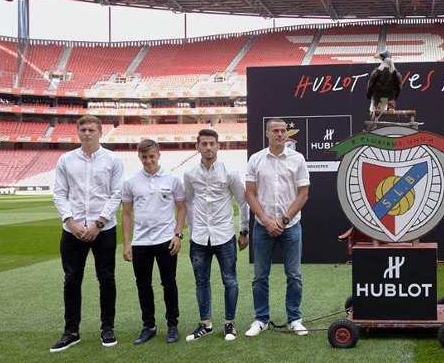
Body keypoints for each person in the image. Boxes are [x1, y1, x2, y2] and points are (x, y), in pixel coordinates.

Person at [49, 115, 124, 352]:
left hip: (104, 229)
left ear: (100, 132)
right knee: (72, 279)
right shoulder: (66, 159)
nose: (87, 133)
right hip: (73, 230)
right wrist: (70, 221)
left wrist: (99, 223)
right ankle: (71, 331)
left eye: (92, 130)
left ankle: (107, 328)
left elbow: (117, 194)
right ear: (78, 132)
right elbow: (59, 193)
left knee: (106, 278)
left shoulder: (113, 159)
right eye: (83, 130)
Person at [244, 118, 311, 337]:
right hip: (262, 227)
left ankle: (294, 319)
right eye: (275, 130)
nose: (280, 134)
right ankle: (261, 319)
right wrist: (266, 221)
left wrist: (283, 221)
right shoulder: (256, 159)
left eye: (283, 130)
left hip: (291, 226)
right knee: (260, 277)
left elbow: (303, 194)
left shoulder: (297, 159)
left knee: (294, 275)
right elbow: (250, 194)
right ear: (267, 134)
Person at [183, 129, 249, 342]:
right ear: (197, 147)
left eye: (212, 143)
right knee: (201, 281)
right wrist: (192, 230)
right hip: (199, 237)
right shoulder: (190, 174)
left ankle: (229, 323)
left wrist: (244, 231)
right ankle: (205, 323)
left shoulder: (230, 173)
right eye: (204, 144)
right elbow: (189, 203)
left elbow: (243, 203)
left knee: (230, 280)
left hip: (224, 235)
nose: (208, 147)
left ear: (218, 146)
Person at [121, 139, 187, 345]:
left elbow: (181, 208)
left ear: (159, 155)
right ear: (139, 157)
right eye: (144, 157)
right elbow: (126, 214)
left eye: (151, 156)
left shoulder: (172, 180)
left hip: (166, 240)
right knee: (143, 285)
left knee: (169, 283)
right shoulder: (130, 182)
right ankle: (148, 326)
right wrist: (126, 243)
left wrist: (177, 235)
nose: (148, 160)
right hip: (141, 242)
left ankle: (172, 325)